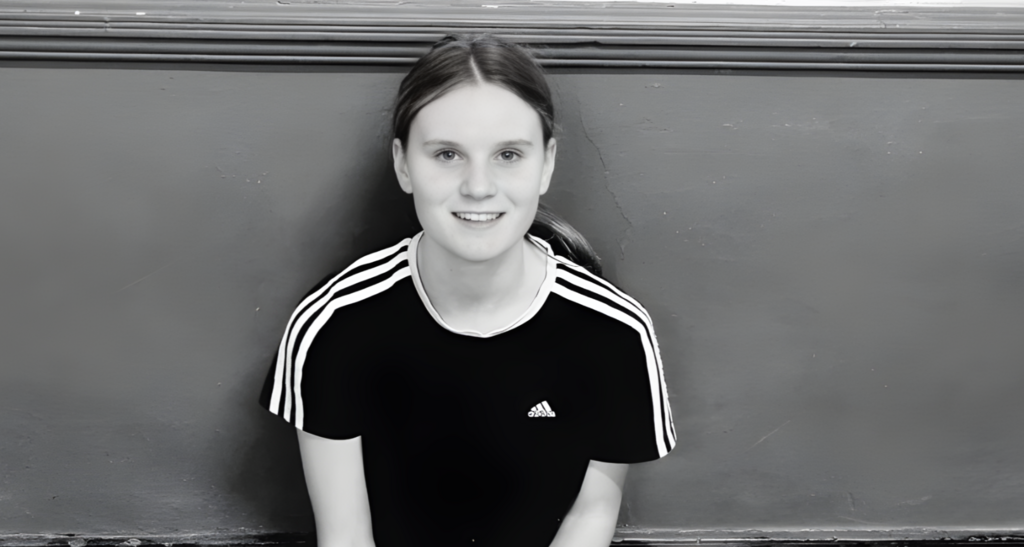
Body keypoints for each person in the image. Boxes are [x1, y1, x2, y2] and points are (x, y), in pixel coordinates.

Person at [260, 34, 676, 547]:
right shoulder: (334, 323)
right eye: (448, 154)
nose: (478, 186)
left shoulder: (615, 333)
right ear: (403, 163)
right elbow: (345, 534)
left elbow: (591, 515)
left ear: (546, 163)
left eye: (507, 154)